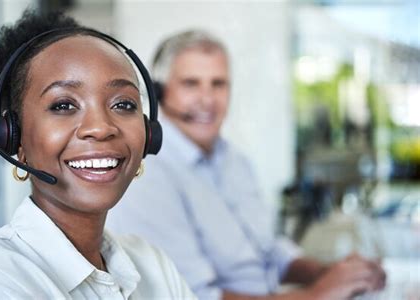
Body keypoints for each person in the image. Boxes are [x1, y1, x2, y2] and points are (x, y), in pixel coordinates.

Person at [106, 30, 386, 300]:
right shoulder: (146, 175)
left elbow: (269, 251)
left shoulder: (234, 161)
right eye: (191, 84)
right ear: (160, 93)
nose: (207, 100)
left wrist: (331, 274)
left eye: (218, 84)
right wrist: (318, 295)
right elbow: (195, 296)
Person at [0, 10, 195, 299]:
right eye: (63, 105)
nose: (101, 128)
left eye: (123, 104)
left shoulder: (153, 264)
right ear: (14, 138)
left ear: (149, 133)